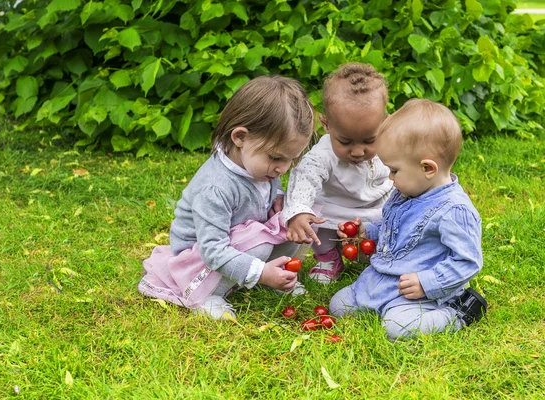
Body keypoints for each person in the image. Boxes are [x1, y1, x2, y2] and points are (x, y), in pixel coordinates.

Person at [138, 76, 316, 320]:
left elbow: (271, 191)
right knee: (261, 247)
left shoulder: (258, 165)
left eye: (291, 159)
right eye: (276, 158)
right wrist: (260, 270)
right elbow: (213, 250)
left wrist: (281, 202)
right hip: (201, 257)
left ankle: (273, 275)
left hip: (243, 236)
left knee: (297, 221)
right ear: (240, 137)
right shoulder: (216, 188)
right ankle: (209, 295)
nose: (282, 169)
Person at [329, 98, 487, 340]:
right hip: (381, 281)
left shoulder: (453, 210)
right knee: (338, 306)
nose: (390, 178)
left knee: (396, 328)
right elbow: (394, 229)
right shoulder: (407, 192)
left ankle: (458, 313)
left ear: (428, 168)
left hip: (418, 293)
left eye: (394, 170)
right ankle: (381, 304)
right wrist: (367, 233)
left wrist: (427, 282)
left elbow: (468, 261)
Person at [283, 63, 393, 283]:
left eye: (369, 140)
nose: (358, 151)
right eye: (345, 141)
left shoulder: (391, 144)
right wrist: (299, 211)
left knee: (390, 228)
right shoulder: (322, 156)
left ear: (384, 123)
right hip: (333, 210)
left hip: (375, 208)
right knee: (316, 225)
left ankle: (376, 255)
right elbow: (304, 180)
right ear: (326, 125)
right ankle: (328, 258)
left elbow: (401, 172)